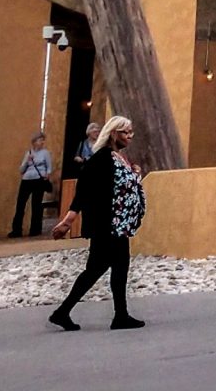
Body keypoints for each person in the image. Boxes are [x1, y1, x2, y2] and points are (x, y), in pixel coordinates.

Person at [50, 114, 146, 331]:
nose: (130, 136)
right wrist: (68, 220)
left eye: (131, 132)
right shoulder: (102, 158)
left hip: (117, 224)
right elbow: (84, 190)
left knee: (111, 268)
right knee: (104, 269)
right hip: (107, 225)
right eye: (126, 132)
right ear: (114, 133)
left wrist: (135, 174)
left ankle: (113, 315)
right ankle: (114, 315)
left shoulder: (116, 157)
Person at [10, 130, 54, 239]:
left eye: (42, 140)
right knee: (20, 204)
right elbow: (21, 169)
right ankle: (16, 230)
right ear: (34, 142)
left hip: (38, 180)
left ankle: (35, 229)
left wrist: (47, 174)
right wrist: (27, 161)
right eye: (40, 140)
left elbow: (49, 167)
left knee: (36, 204)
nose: (42, 142)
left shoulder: (45, 153)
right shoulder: (28, 153)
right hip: (26, 180)